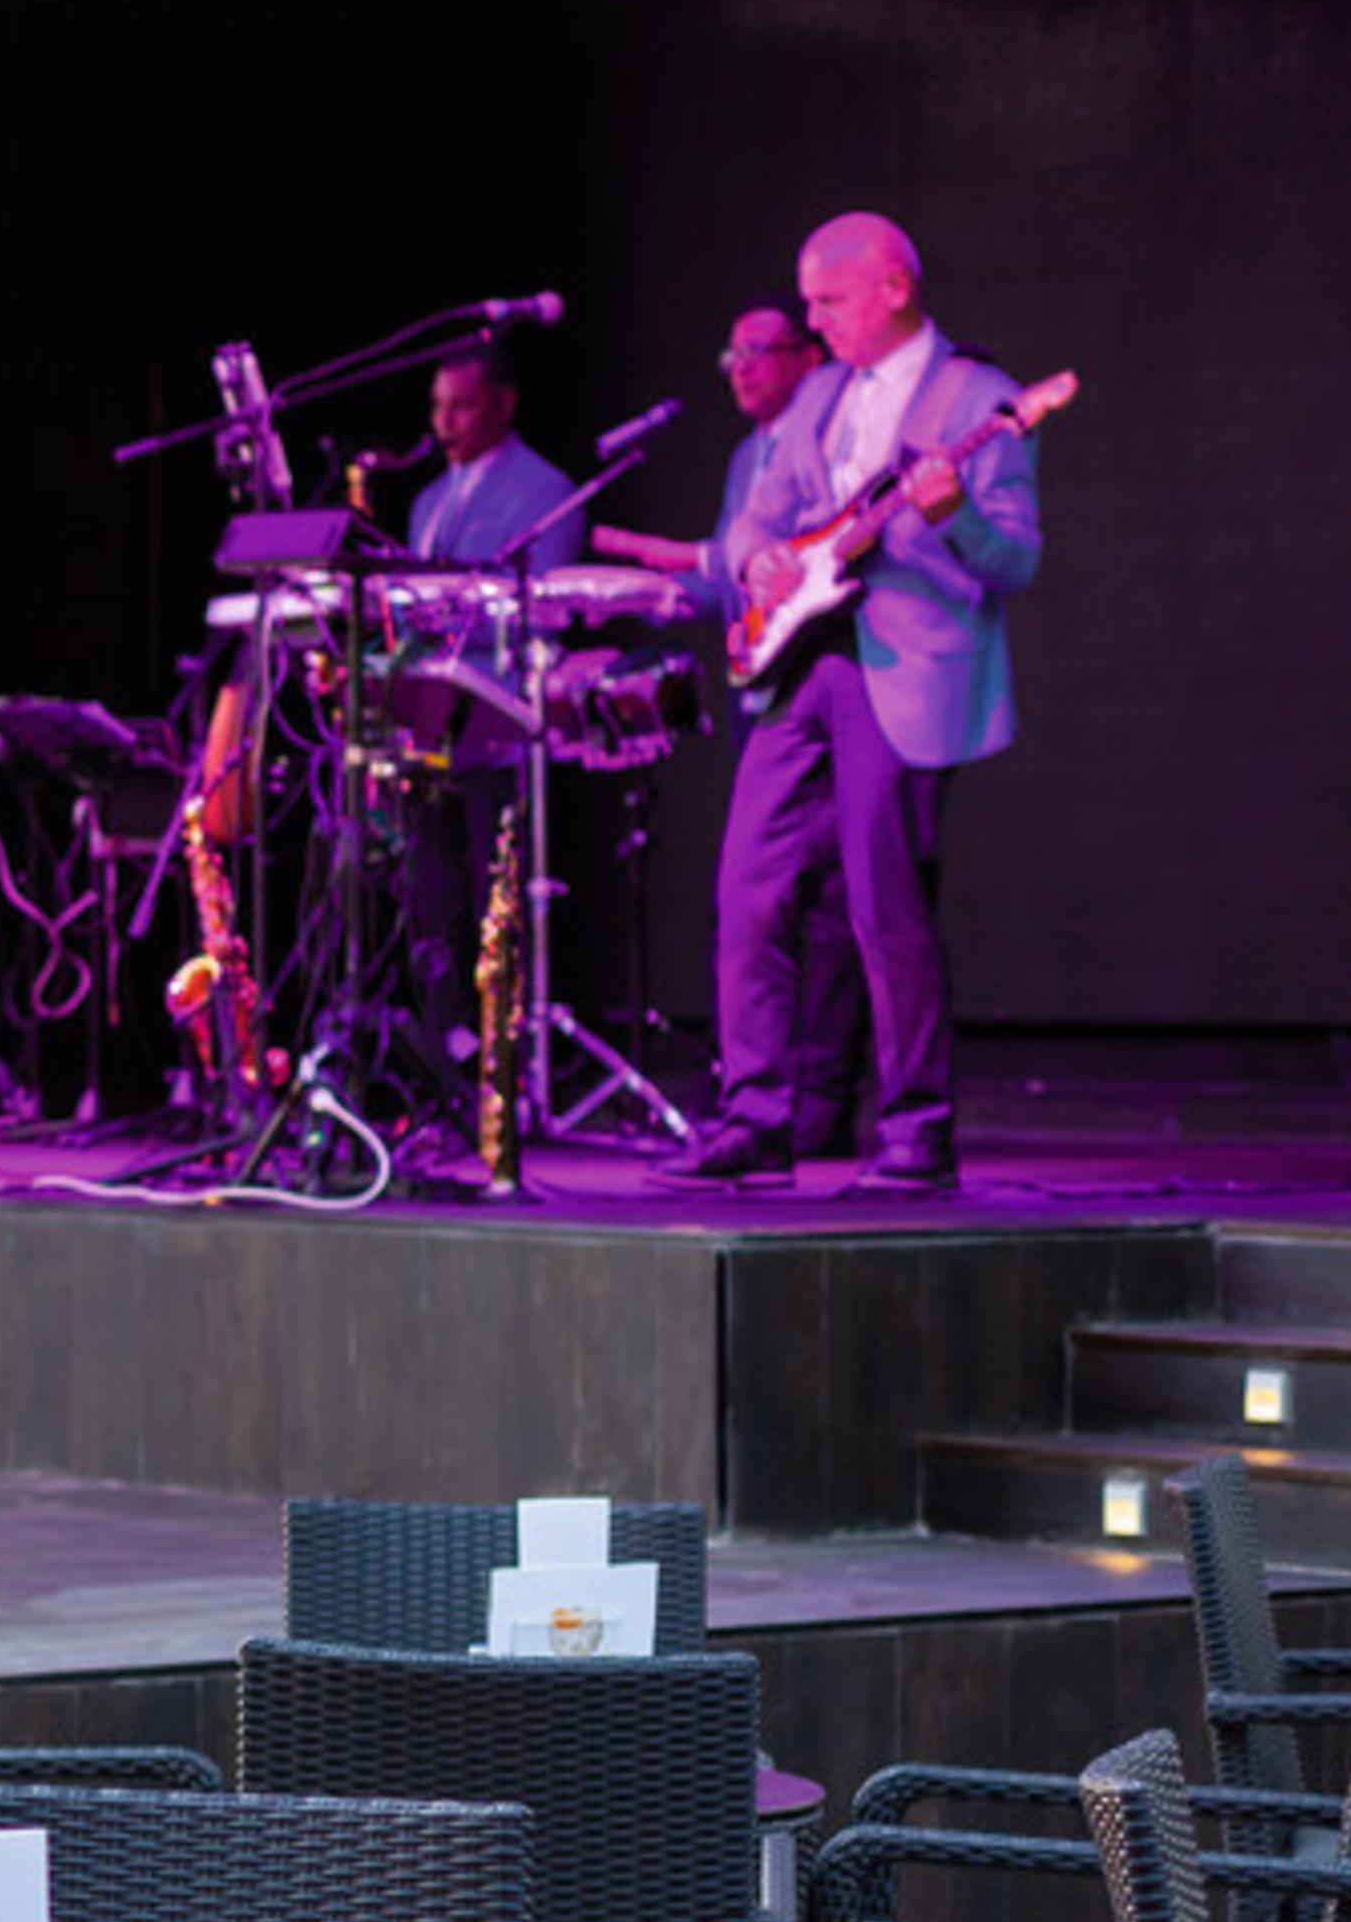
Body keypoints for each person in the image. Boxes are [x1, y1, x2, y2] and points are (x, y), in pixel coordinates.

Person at [664, 213, 1044, 1193]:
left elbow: (1017, 557)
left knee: (886, 901)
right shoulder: (821, 394)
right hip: (807, 661)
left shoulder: (982, 397)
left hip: (905, 664)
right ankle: (754, 1111)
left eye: (826, 301)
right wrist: (759, 555)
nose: (812, 320)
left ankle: (917, 1130)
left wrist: (949, 513)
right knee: (748, 885)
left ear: (892, 289)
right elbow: (761, 505)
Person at [598, 300, 874, 1151]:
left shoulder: (839, 425)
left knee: (834, 909)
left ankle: (823, 1110)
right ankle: (760, 1103)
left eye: (760, 351)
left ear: (807, 357)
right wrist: (656, 585)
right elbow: (736, 573)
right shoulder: (744, 458)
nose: (742, 368)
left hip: (844, 681)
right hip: (769, 693)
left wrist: (665, 553)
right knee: (756, 904)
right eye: (732, 355)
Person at [406, 342, 584, 570]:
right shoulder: (427, 501)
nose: (444, 422)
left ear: (505, 403)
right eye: (438, 405)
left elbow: (542, 597)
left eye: (462, 405)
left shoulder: (546, 492)